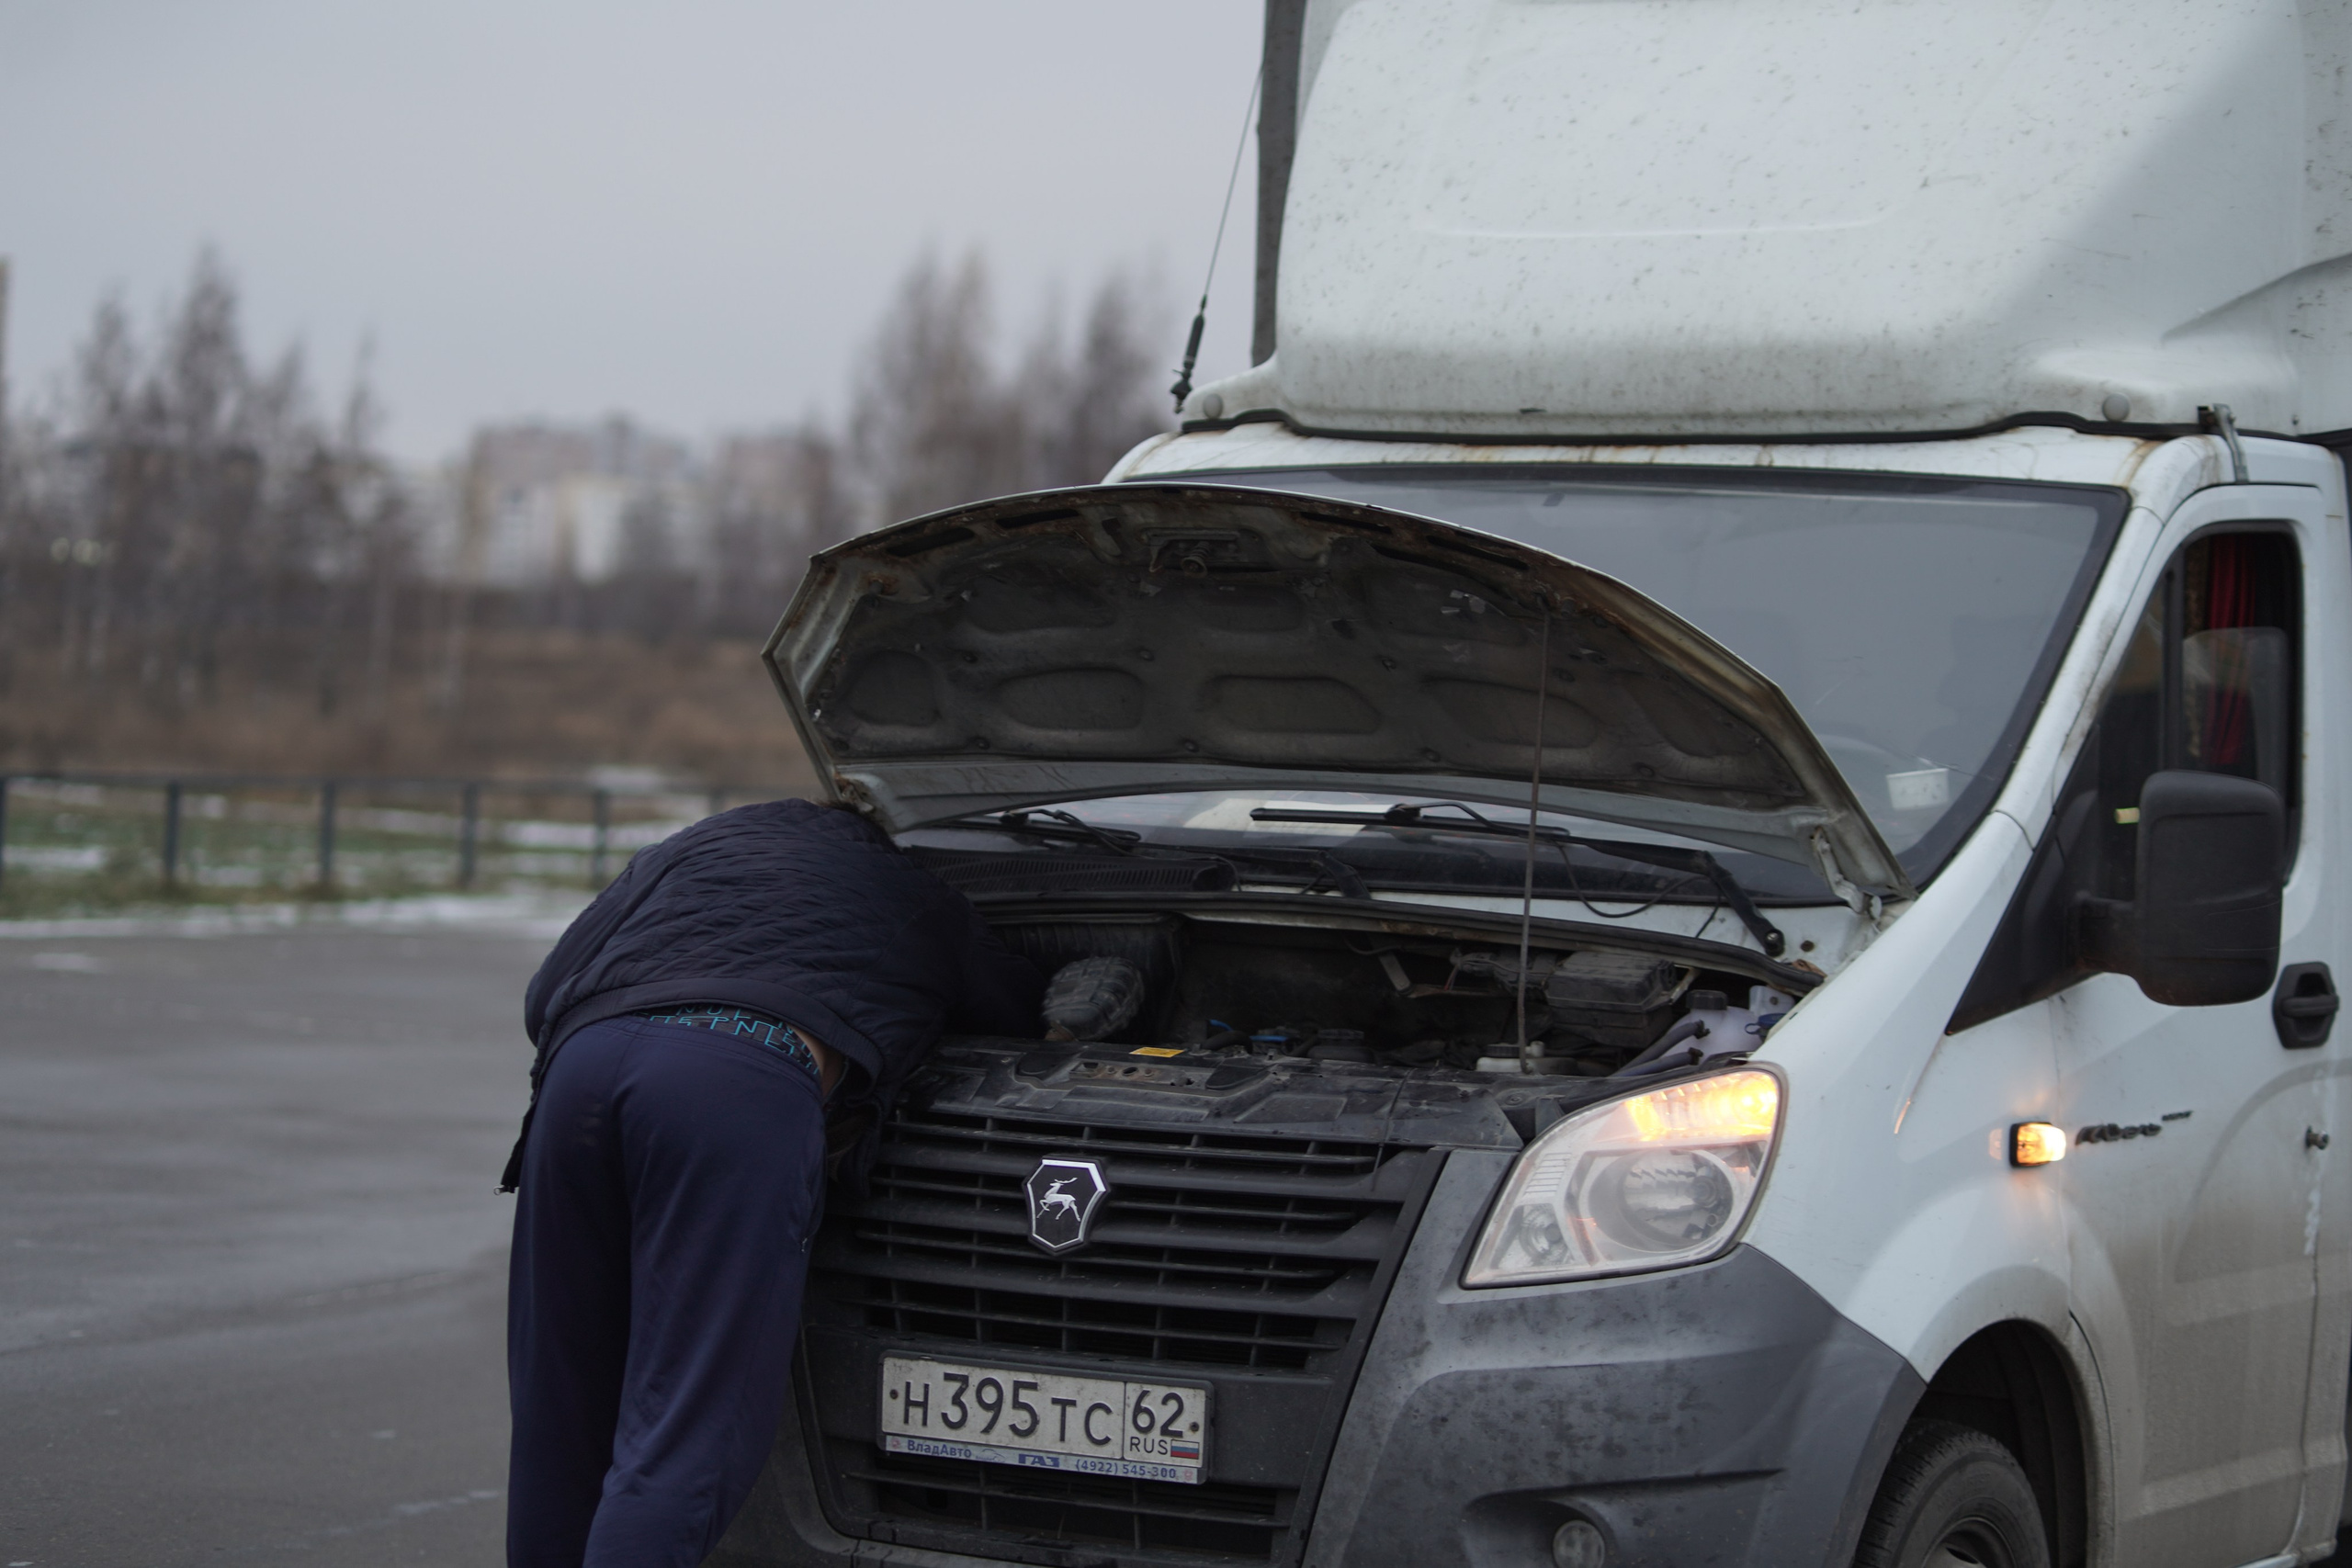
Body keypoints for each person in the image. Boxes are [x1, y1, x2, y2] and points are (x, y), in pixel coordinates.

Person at [501, 796, 1044, 1568]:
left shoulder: (681, 853)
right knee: (684, 1432)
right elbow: (1015, 1009)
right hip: (737, 1078)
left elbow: (545, 990)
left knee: (560, 1419)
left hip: (582, 1072)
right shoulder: (910, 889)